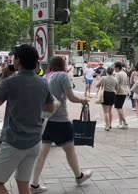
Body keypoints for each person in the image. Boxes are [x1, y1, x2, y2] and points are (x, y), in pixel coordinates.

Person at [0, 45, 55, 194]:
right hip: (34, 141)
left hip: (13, 142)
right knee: (23, 183)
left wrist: (4, 77)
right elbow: (50, 108)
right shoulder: (42, 82)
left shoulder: (10, 82)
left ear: (18, 60)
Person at [30, 56, 92, 193]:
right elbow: (71, 97)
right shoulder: (63, 76)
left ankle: (34, 184)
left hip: (46, 119)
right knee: (70, 150)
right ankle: (79, 176)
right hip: (61, 120)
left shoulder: (45, 76)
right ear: (62, 65)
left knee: (43, 152)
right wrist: (83, 100)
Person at [96, 67, 119, 131]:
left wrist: (98, 80)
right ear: (112, 72)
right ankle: (110, 124)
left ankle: (107, 125)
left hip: (105, 94)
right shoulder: (115, 79)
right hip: (112, 94)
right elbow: (117, 89)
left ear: (106, 72)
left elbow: (97, 85)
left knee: (105, 111)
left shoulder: (103, 78)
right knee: (110, 110)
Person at [114, 62, 129, 129]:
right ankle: (120, 122)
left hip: (119, 92)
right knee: (120, 107)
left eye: (115, 67)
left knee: (118, 108)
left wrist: (115, 90)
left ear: (117, 67)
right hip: (124, 91)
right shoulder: (124, 73)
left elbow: (116, 83)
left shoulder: (118, 74)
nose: (114, 69)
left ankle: (125, 122)